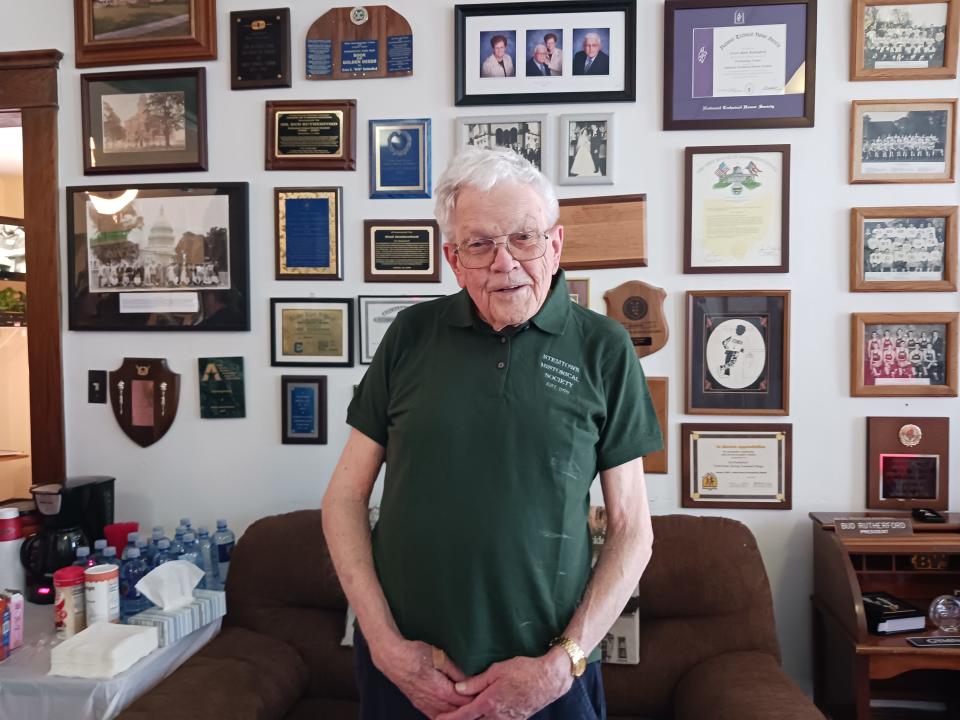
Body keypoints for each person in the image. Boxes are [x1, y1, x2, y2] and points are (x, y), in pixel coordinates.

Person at [322, 147, 662, 720]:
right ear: (454, 259)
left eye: (524, 238)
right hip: (409, 671)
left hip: (549, 676)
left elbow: (632, 531)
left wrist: (563, 663)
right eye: (480, 244)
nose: (504, 262)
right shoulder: (410, 336)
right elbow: (343, 500)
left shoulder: (605, 348)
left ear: (555, 245)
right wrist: (384, 646)